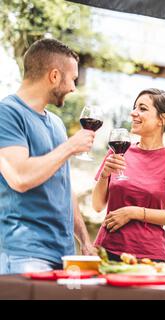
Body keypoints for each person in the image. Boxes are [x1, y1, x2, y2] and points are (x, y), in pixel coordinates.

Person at [0, 38, 96, 274]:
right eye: (72, 79)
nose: (74, 88)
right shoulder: (7, 113)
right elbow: (19, 177)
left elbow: (64, 186)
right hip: (24, 254)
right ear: (54, 76)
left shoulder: (56, 122)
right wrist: (70, 147)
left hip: (63, 254)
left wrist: (84, 239)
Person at [92, 88, 165, 262]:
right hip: (107, 249)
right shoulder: (118, 151)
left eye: (142, 109)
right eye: (134, 107)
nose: (133, 113)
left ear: (163, 118)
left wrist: (133, 212)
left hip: (149, 256)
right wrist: (104, 175)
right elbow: (98, 205)